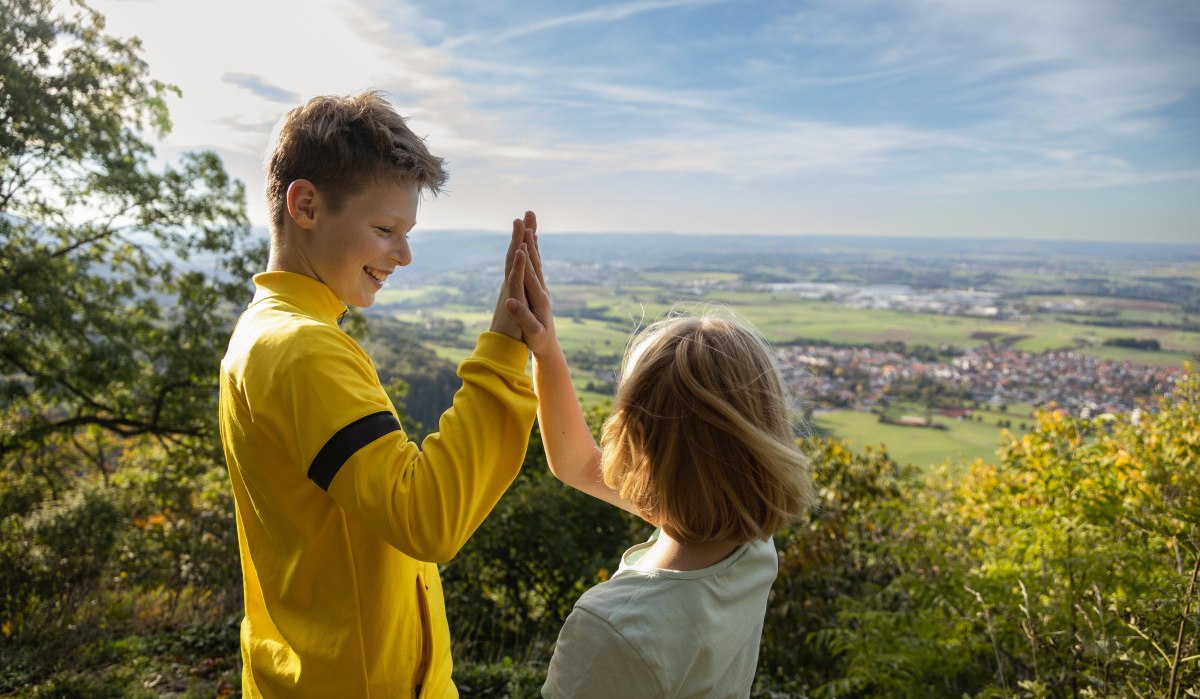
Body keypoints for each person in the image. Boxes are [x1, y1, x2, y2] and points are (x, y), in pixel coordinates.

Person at [218, 91, 541, 698]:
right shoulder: (301, 349)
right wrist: (503, 348)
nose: (404, 255)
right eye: (385, 229)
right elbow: (428, 518)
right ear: (306, 205)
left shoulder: (266, 330)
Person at [504, 247, 817, 698]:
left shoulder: (614, 629)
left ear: (636, 444)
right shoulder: (751, 546)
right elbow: (576, 465)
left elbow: (581, 467)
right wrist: (547, 353)